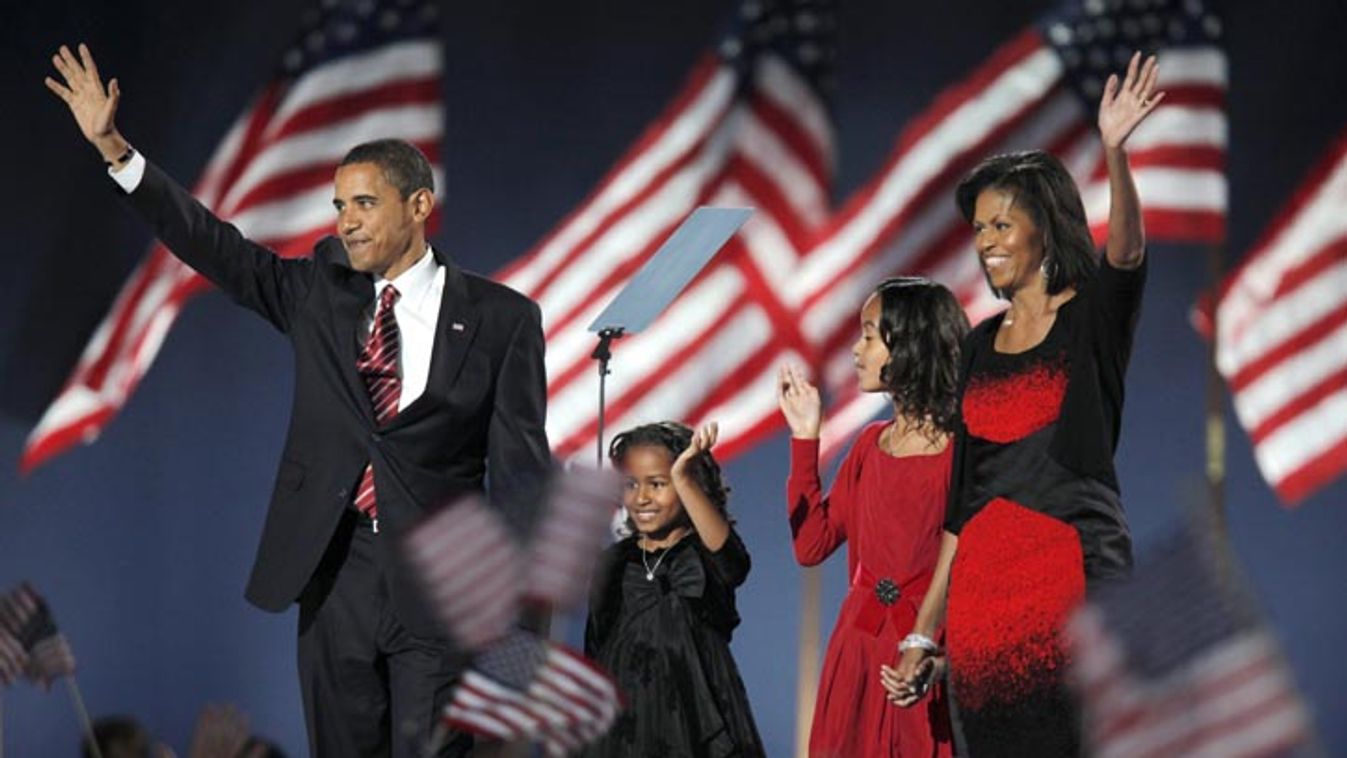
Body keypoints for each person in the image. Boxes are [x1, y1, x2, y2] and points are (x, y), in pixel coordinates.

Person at [45, 45, 550, 757]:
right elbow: (213, 245)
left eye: (364, 203)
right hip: (333, 570)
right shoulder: (319, 292)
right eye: (340, 205)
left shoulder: (502, 318)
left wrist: (527, 636)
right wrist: (116, 151)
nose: (346, 220)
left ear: (418, 206)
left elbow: (524, 474)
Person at [886, 53, 1163, 755]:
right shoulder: (977, 347)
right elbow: (960, 507)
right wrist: (924, 633)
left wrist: (1113, 151)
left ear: (1043, 226)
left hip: (1076, 586)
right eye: (979, 230)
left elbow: (1125, 255)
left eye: (1000, 226)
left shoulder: (1090, 319)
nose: (985, 243)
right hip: (985, 605)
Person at [778, 277, 966, 757]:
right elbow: (811, 545)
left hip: (918, 660)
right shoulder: (869, 445)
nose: (856, 350)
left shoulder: (961, 453)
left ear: (909, 344)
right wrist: (805, 438)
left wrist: (938, 657)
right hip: (856, 653)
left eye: (868, 335)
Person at [582, 421, 764, 757]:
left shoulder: (703, 553)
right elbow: (596, 644)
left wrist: (683, 477)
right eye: (631, 484)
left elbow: (733, 564)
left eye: (658, 483)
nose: (642, 497)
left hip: (697, 723)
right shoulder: (613, 561)